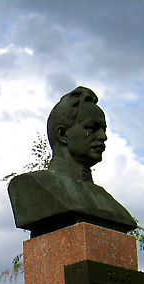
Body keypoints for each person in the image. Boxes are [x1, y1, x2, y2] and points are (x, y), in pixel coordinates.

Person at [8, 86, 136, 235]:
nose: (103, 137)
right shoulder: (30, 185)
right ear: (63, 134)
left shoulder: (107, 201)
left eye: (103, 129)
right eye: (92, 128)